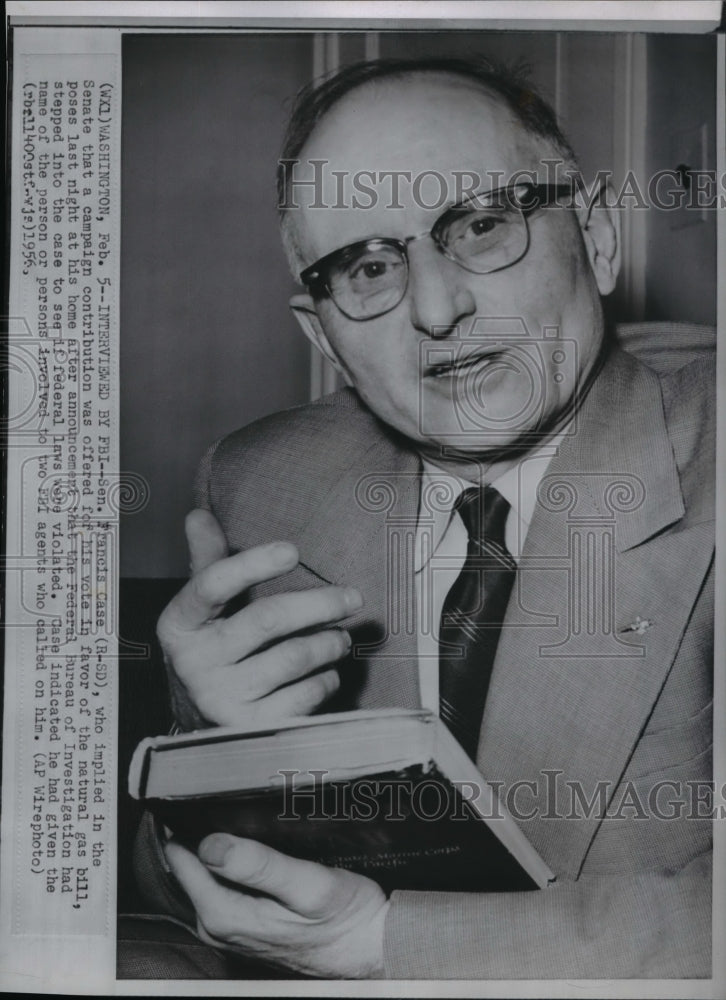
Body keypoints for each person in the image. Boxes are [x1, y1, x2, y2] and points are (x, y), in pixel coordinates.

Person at [134, 57, 714, 979]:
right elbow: (171, 888)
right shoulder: (257, 485)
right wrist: (217, 756)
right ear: (323, 336)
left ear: (599, 236)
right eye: (368, 267)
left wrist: (386, 945)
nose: (438, 309)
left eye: (482, 226)